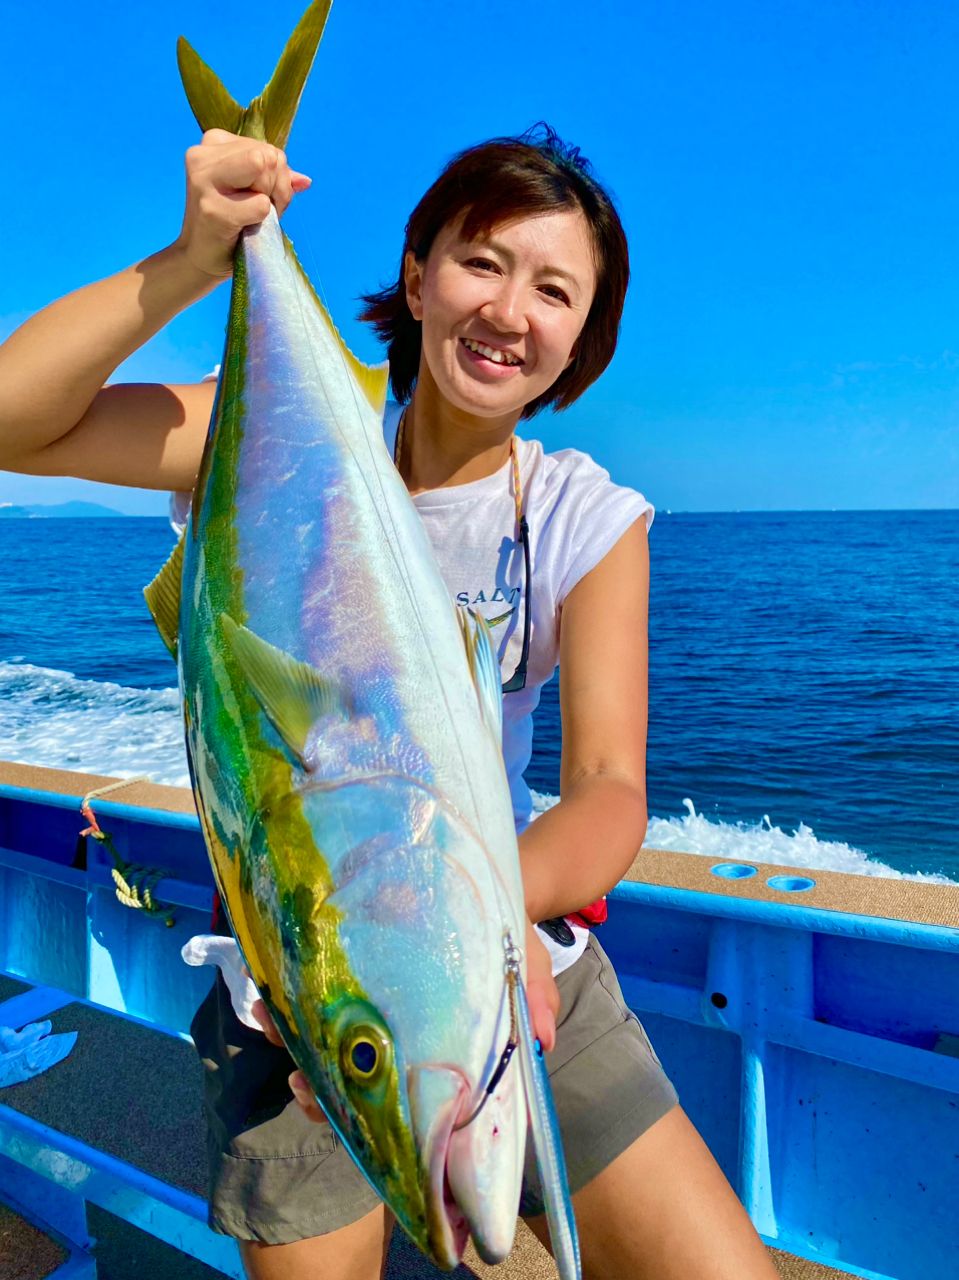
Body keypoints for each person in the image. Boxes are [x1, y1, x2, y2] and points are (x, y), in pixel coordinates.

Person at [0, 124, 779, 1280]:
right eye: (481, 261)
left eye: (555, 290)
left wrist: (487, 914)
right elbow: (16, 420)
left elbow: (611, 790)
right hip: (306, 1000)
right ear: (416, 276)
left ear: (581, 343)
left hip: (528, 956)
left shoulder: (581, 520)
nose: (510, 309)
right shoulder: (261, 434)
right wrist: (191, 261)